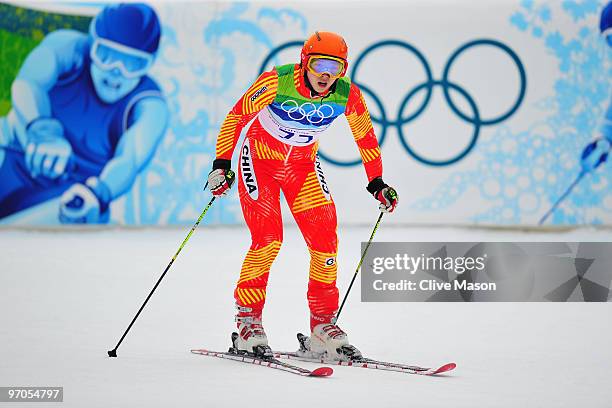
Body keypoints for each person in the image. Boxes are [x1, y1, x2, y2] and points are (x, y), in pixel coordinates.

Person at [207, 31, 399, 360]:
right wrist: (222, 164)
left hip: (302, 167)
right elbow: (236, 117)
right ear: (304, 63)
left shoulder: (346, 95)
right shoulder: (276, 82)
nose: (326, 74)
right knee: (268, 240)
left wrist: (377, 182)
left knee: (325, 241)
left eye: (335, 67)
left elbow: (365, 138)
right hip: (260, 161)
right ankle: (248, 321)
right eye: (319, 64)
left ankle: (323, 326)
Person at [0, 3, 168, 223]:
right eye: (106, 55)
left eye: (132, 63)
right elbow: (28, 83)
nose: (116, 72)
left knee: (84, 214)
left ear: (149, 64)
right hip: (15, 154)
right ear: (92, 43)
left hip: (65, 195)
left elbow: (130, 159)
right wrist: (43, 133)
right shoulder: (68, 48)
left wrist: (100, 192)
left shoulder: (149, 107)